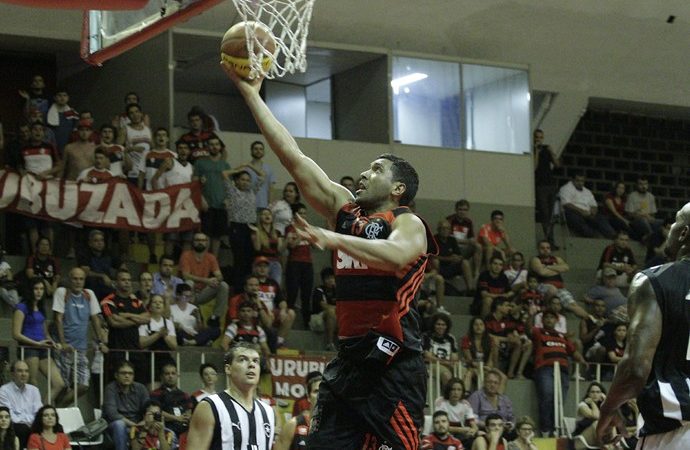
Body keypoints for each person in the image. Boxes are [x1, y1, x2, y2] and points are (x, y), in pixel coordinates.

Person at [224, 64, 437, 449]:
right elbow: (293, 157)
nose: (364, 173)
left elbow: (393, 256)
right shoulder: (345, 210)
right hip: (349, 362)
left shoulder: (409, 223)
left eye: (377, 170)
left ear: (398, 188)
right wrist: (251, 94)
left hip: (393, 365)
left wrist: (332, 240)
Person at [594, 197, 690, 446]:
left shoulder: (653, 280)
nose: (669, 229)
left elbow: (636, 366)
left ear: (684, 234)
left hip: (675, 429)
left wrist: (608, 407)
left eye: (674, 224)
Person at [186, 343, 276, 449]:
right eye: (243, 359)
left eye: (255, 361)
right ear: (228, 369)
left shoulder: (268, 411)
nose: (251, 364)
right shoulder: (209, 407)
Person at [52, 268, 107, 404]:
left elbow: (95, 319)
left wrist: (101, 342)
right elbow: (58, 318)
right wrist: (63, 342)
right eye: (75, 279)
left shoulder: (89, 294)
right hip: (63, 349)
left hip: (80, 349)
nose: (78, 282)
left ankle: (58, 410)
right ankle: (58, 415)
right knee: (63, 386)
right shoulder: (62, 292)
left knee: (83, 386)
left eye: (81, 279)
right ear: (69, 280)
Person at [530, 310, 586, 437]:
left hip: (563, 370)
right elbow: (529, 329)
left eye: (552, 317)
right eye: (546, 317)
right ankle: (545, 430)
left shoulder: (562, 336)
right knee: (547, 397)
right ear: (542, 320)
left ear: (556, 321)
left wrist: (583, 361)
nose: (549, 319)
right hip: (545, 368)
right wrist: (531, 315)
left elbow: (572, 351)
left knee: (559, 400)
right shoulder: (538, 332)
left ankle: (556, 430)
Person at [12, 279, 66, 404]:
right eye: (36, 288)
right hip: (28, 347)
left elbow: (45, 333)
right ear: (30, 290)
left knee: (59, 383)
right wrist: (36, 343)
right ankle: (36, 411)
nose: (39, 292)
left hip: (43, 347)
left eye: (41, 289)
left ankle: (43, 409)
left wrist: (52, 342)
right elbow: (16, 334)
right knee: (33, 382)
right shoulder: (21, 307)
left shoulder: (41, 308)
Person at [100, 269, 150, 383]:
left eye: (129, 280)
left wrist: (126, 315)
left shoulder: (136, 301)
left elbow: (147, 319)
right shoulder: (108, 301)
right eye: (123, 280)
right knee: (115, 386)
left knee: (139, 385)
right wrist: (137, 320)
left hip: (135, 350)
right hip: (117, 351)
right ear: (116, 282)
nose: (127, 282)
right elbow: (114, 322)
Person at [178, 233, 229, 328]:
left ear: (207, 243)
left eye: (202, 240)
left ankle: (215, 317)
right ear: (193, 242)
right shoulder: (186, 255)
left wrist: (215, 279)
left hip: (202, 293)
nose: (200, 242)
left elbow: (219, 276)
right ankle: (186, 312)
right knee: (189, 283)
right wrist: (206, 281)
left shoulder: (211, 257)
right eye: (197, 240)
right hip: (187, 295)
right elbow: (185, 276)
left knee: (223, 285)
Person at [192, 136, 230, 255]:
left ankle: (214, 262)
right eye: (211, 144)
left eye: (216, 144)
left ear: (220, 147)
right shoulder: (200, 163)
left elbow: (230, 186)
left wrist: (228, 199)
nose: (214, 146)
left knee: (217, 237)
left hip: (221, 206)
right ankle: (204, 260)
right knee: (205, 235)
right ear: (207, 147)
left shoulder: (226, 165)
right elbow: (194, 183)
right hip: (206, 205)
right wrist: (201, 199)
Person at [103, 360, 150, 450]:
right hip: (115, 426)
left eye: (130, 373)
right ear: (116, 375)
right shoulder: (110, 388)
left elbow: (149, 408)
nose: (127, 376)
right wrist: (133, 425)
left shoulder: (141, 388)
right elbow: (113, 414)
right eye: (123, 373)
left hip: (139, 424)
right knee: (119, 424)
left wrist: (145, 421)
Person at [558, 173, 615, 239]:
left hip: (588, 213)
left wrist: (593, 212)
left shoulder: (587, 191)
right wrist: (581, 211)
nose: (580, 183)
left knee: (601, 218)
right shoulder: (566, 188)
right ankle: (594, 236)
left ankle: (613, 236)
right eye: (578, 180)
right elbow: (566, 204)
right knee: (577, 220)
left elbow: (594, 205)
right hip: (573, 212)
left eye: (582, 181)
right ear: (572, 180)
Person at [0, 361, 42, 449]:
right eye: (20, 371)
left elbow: (39, 413)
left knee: (55, 427)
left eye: (26, 371)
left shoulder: (34, 390)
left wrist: (30, 423)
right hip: (14, 426)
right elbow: (9, 415)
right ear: (12, 374)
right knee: (22, 428)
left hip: (32, 425)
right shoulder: (4, 390)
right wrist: (28, 422)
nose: (24, 374)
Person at [273, 374, 321, 450]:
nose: (320, 395)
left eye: (323, 391)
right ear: (308, 396)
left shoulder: (336, 429)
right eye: (316, 391)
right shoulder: (293, 425)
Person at [285, 203, 314, 324]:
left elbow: (315, 245)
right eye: (300, 213)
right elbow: (291, 245)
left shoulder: (308, 227)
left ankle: (306, 322)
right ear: (294, 214)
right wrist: (301, 235)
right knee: (292, 292)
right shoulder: (290, 228)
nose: (303, 216)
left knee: (306, 294)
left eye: (304, 213)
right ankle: (288, 320)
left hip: (307, 263)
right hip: (294, 263)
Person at [150, 363, 194, 444]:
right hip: (165, 428)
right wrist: (176, 418)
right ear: (162, 377)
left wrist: (187, 416)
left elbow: (189, 411)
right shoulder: (155, 394)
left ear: (177, 376)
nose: (170, 376)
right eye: (167, 374)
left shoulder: (184, 395)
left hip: (184, 429)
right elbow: (156, 412)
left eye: (173, 373)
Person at [533, 128, 561, 248]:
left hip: (550, 184)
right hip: (540, 185)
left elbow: (557, 165)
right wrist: (536, 151)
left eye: (540, 137)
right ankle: (547, 239)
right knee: (544, 213)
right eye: (537, 137)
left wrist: (552, 152)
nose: (539, 140)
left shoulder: (546, 149)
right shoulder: (532, 150)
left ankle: (551, 239)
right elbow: (534, 167)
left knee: (551, 214)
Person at [138, 295, 177, 376]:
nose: (158, 304)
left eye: (160, 302)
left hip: (165, 359)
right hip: (149, 359)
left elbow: (174, 346)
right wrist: (158, 334)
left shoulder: (168, 323)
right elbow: (141, 344)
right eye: (155, 302)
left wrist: (165, 336)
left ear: (163, 307)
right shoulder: (144, 322)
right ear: (150, 307)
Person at [446, 199, 482, 284]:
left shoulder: (468, 222)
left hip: (464, 249)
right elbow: (450, 239)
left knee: (478, 246)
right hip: (453, 249)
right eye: (460, 209)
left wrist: (466, 241)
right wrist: (466, 241)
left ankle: (476, 271)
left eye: (465, 210)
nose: (462, 212)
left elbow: (472, 239)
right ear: (456, 210)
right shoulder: (450, 220)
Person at [423, 313, 460, 387]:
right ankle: (449, 397)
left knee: (463, 371)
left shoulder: (450, 338)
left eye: (443, 325)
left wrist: (451, 362)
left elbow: (455, 356)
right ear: (433, 325)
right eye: (438, 324)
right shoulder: (426, 336)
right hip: (431, 365)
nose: (441, 327)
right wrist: (446, 363)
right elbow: (428, 357)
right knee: (446, 374)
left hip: (447, 363)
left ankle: (463, 396)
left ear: (447, 326)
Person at [460, 317, 497, 390]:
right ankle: (465, 394)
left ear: (485, 327)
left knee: (502, 377)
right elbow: (469, 359)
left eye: (481, 324)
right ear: (472, 327)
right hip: (471, 367)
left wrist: (488, 367)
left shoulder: (490, 340)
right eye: (476, 325)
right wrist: (482, 367)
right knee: (471, 373)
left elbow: (490, 360)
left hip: (485, 367)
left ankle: (498, 398)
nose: (478, 327)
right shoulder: (466, 339)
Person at [252, 208, 285, 284]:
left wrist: (286, 241)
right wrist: (257, 233)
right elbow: (257, 248)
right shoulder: (256, 231)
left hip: (275, 262)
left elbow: (280, 250)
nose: (267, 216)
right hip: (261, 262)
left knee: (275, 285)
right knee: (261, 285)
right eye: (264, 214)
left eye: (269, 214)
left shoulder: (277, 232)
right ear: (260, 217)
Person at [624, 176, 663, 242]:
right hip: (636, 221)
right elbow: (629, 214)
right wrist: (643, 216)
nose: (643, 186)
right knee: (643, 220)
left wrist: (650, 218)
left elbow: (653, 214)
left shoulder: (651, 196)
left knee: (661, 222)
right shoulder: (632, 196)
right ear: (637, 185)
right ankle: (650, 236)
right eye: (641, 184)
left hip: (648, 220)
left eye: (645, 184)